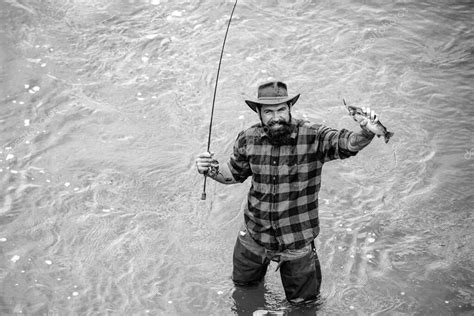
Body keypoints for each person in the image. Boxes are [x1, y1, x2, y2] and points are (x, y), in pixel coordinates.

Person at [195, 81, 378, 304]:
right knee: (243, 292)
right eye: (269, 112)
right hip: (253, 236)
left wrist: (367, 131)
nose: (276, 117)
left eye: (281, 109)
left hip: (297, 244)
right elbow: (233, 174)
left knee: (303, 306)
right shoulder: (248, 138)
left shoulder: (315, 136)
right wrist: (209, 168)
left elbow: (348, 143)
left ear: (290, 108)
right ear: (259, 113)